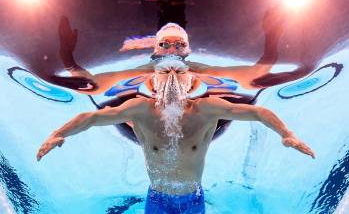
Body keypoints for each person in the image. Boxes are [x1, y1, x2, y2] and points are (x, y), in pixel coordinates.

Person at [37, 59, 315, 213]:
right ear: (155, 80)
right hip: (157, 199)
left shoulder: (208, 108)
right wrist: (57, 134)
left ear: (189, 79)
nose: (172, 76)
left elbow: (256, 112)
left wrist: (286, 134)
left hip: (193, 199)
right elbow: (93, 117)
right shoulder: (140, 109)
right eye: (164, 71)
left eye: (179, 71)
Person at [51, 6, 287, 94]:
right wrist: (67, 54)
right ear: (155, 52)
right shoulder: (145, 71)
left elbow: (256, 73)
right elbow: (94, 85)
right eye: (164, 44)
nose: (172, 49)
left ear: (188, 51)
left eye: (179, 44)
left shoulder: (199, 70)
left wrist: (272, 37)